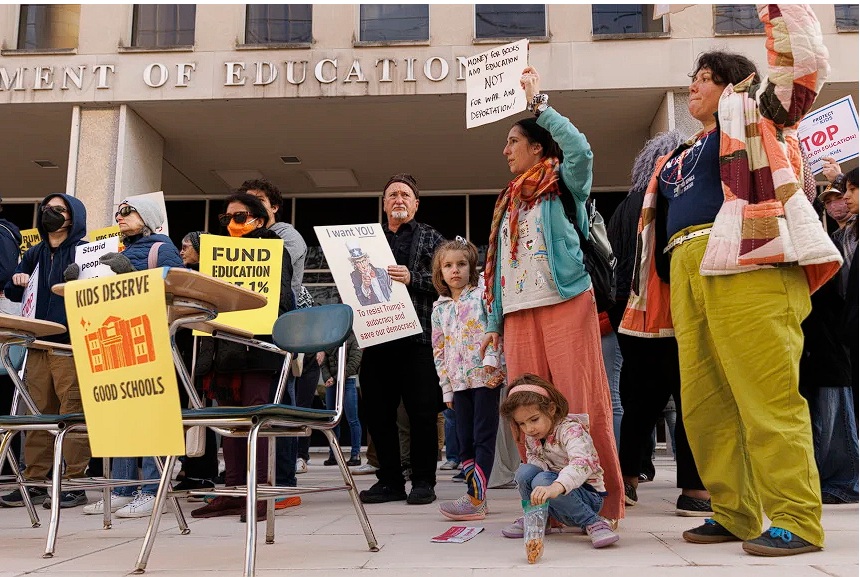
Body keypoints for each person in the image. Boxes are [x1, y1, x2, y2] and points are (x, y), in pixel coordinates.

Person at [620, 5, 841, 556]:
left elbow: (803, 72)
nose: (692, 88)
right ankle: (735, 512)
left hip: (753, 260)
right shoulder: (677, 152)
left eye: (702, 80)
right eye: (691, 80)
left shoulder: (759, 116)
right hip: (688, 274)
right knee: (704, 402)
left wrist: (779, 11)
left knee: (767, 395)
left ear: (731, 85)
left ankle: (796, 518)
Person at [481, 66, 624, 521]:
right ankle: (542, 506)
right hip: (519, 315)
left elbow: (580, 149)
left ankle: (599, 501)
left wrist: (538, 102)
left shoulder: (564, 183)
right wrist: (492, 326)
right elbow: (499, 271)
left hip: (566, 305)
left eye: (513, 141)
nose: (505, 150)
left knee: (578, 404)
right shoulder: (506, 202)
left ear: (537, 147)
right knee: (527, 410)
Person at [607, 130, 712, 516]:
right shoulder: (675, 194)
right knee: (690, 401)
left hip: (632, 318)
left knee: (639, 403)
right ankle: (695, 490)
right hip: (673, 312)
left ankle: (627, 481)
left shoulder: (624, 207)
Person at [191, 193, 295, 521]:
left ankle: (259, 493)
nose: (231, 224)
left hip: (258, 349)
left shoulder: (275, 249)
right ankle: (234, 491)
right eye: (226, 219)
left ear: (259, 220)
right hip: (223, 350)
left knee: (255, 422)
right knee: (230, 424)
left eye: (239, 217)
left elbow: (280, 297)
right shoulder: (218, 254)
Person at [81, 196, 184, 518]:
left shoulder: (161, 249)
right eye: (118, 212)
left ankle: (153, 488)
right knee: (123, 418)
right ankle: (123, 488)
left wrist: (132, 277)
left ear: (148, 218)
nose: (120, 216)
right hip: (115, 342)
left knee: (153, 416)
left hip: (150, 341)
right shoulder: (113, 249)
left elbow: (179, 289)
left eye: (129, 212)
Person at [358, 173, 445, 506]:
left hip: (418, 339)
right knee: (378, 413)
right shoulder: (366, 241)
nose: (398, 199)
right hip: (377, 338)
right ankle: (390, 481)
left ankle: (423, 480)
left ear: (416, 204)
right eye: (392, 194)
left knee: (422, 412)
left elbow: (448, 280)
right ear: (384, 203)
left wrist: (413, 277)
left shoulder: (431, 238)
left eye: (405, 195)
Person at [0, 193, 90, 509]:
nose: (50, 214)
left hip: (69, 345)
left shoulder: (85, 252)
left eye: (59, 209)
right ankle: (36, 482)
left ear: (73, 216)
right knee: (38, 413)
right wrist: (16, 279)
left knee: (72, 411)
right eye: (47, 209)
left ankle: (75, 483)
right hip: (37, 343)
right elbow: (12, 287)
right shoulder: (35, 252)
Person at [499, 374, 619, 549]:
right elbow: (535, 459)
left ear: (552, 409)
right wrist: (546, 482)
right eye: (522, 424)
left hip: (587, 497)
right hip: (553, 495)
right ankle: (537, 518)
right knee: (524, 472)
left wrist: (554, 486)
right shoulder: (533, 436)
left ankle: (593, 522)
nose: (529, 428)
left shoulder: (571, 430)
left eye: (534, 419)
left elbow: (581, 463)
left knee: (541, 479)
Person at [431, 237, 504, 521]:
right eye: (448, 265)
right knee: (464, 439)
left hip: (485, 379)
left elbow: (495, 329)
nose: (455, 270)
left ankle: (476, 497)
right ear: (440, 271)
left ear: (471, 266)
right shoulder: (440, 309)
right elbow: (439, 350)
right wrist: (446, 389)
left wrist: (491, 363)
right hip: (458, 384)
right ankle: (475, 493)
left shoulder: (483, 295)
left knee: (483, 436)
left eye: (461, 264)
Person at [799, 182, 858, 505]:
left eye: (847, 193)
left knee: (835, 419)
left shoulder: (828, 245)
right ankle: (835, 479)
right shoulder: (833, 240)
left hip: (829, 345)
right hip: (818, 346)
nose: (843, 201)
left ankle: (845, 481)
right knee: (825, 417)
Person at [319, 329, 363, 467]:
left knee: (352, 419)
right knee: (332, 419)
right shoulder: (330, 337)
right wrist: (328, 378)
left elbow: (354, 362)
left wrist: (336, 378)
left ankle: (355, 454)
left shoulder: (353, 338)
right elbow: (323, 361)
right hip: (332, 383)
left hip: (347, 381)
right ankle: (333, 455)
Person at [347, 241, 393, 305]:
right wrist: (365, 286)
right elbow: (361, 300)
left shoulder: (381, 271)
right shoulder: (354, 277)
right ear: (355, 265)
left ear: (367, 260)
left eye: (363, 260)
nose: (362, 265)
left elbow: (391, 289)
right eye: (358, 262)